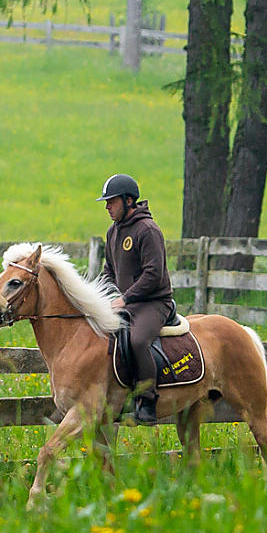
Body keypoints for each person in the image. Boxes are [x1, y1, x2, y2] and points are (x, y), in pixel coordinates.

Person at [97, 174, 173, 424]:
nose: (107, 206)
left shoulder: (147, 230)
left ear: (129, 201)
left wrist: (125, 298)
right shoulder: (113, 232)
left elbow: (154, 274)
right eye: (106, 202)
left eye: (112, 201)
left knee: (138, 340)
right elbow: (110, 270)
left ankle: (148, 399)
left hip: (153, 303)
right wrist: (100, 293)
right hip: (127, 303)